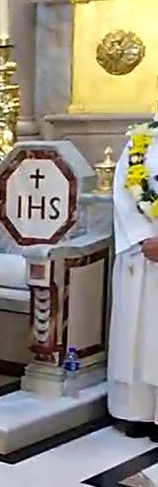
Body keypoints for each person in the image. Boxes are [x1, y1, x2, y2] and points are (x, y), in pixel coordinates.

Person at [109, 117, 158, 440]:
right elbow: (123, 191)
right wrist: (143, 237)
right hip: (141, 252)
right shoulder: (141, 140)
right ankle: (136, 411)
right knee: (137, 334)